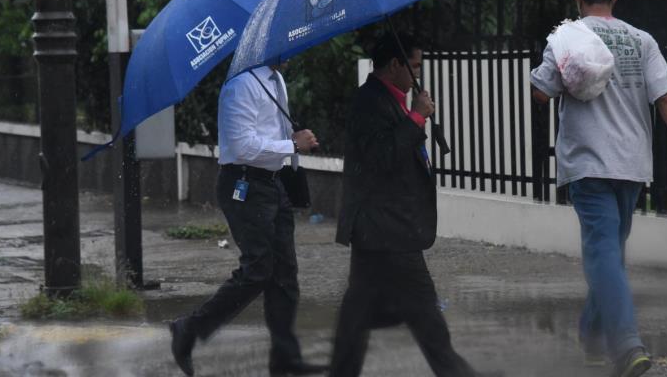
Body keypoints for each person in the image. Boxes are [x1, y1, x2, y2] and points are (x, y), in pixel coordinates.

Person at [530, 0, 667, 377]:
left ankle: (593, 336)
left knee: (606, 257)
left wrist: (560, 69)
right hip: (631, 166)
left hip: (588, 163)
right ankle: (625, 347)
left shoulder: (566, 38)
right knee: (609, 255)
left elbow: (541, 93)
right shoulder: (640, 39)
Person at [329, 34, 478, 377]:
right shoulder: (369, 102)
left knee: (358, 312)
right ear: (394, 65)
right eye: (414, 67)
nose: (417, 75)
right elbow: (380, 158)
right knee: (426, 314)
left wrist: (413, 116)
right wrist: (416, 119)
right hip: (386, 226)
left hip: (380, 227)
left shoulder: (391, 98)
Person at [169, 65, 328, 377]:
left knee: (285, 274)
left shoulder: (277, 78)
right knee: (258, 269)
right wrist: (292, 145)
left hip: (272, 183)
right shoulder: (239, 86)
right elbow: (243, 146)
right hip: (243, 185)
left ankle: (285, 358)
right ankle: (188, 328)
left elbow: (272, 133)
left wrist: (291, 146)